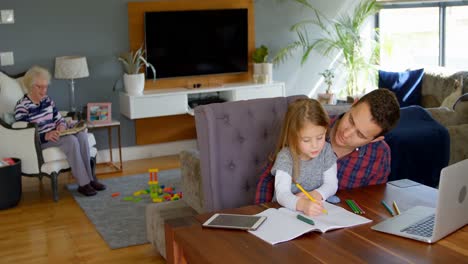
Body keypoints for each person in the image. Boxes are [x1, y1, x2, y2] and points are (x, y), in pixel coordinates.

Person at [14, 66, 106, 196]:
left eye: (45, 86)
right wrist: (45, 135)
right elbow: (24, 133)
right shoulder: (22, 106)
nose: (43, 90)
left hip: (57, 134)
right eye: (39, 87)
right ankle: (83, 184)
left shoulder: (47, 101)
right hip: (42, 140)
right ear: (30, 86)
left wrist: (62, 126)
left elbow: (59, 119)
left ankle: (91, 179)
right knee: (71, 140)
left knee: (82, 136)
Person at [271, 99, 337, 216]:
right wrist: (302, 205)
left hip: (314, 212)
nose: (315, 145)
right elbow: (282, 194)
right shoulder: (286, 157)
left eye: (320, 137)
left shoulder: (326, 150)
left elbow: (331, 184)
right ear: (292, 137)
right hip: (285, 214)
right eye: (306, 140)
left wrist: (316, 194)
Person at [328, 89, 400, 189]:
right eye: (351, 120)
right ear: (354, 103)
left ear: (376, 139)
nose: (346, 134)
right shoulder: (312, 125)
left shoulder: (379, 154)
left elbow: (373, 198)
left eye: (360, 135)